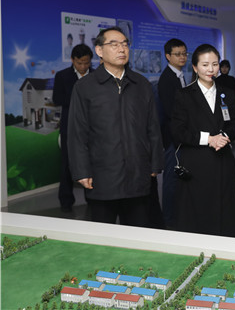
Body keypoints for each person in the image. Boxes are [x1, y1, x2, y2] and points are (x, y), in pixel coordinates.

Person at [68, 26, 164, 226]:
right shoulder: (85, 87)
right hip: (102, 176)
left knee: (138, 232)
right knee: (104, 236)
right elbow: (77, 132)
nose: (121, 49)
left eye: (125, 44)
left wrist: (155, 163)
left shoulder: (141, 84)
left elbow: (153, 128)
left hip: (138, 175)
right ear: (99, 50)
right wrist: (81, 170)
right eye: (114, 44)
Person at [170, 44, 235, 237]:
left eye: (215, 64)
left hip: (223, 161)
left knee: (226, 214)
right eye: (205, 65)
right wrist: (208, 139)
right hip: (196, 163)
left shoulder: (227, 93)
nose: (211, 69)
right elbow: (178, 132)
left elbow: (233, 125)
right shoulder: (184, 95)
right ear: (195, 67)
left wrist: (223, 138)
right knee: (199, 214)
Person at [53, 43, 94, 212]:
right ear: (72, 60)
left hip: (93, 127)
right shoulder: (62, 76)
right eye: (79, 63)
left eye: (86, 63)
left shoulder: (97, 75)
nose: (83, 66)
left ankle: (92, 199)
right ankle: (66, 201)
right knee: (66, 164)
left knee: (92, 162)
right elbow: (57, 99)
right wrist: (79, 100)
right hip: (69, 127)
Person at [157, 38, 188, 228]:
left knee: (178, 179)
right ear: (168, 56)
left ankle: (177, 215)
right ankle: (168, 220)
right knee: (170, 180)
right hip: (172, 138)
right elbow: (171, 111)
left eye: (184, 53)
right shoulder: (167, 79)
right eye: (177, 54)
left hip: (180, 136)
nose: (182, 57)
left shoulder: (180, 75)